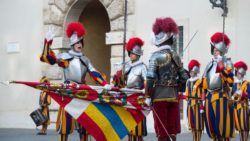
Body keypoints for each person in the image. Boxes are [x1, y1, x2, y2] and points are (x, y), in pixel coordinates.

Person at [40, 21, 112, 141]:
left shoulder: (85, 59)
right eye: (77, 42)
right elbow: (48, 59)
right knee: (65, 125)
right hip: (68, 91)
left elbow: (94, 73)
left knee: (84, 124)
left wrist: (105, 84)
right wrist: (47, 43)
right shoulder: (65, 57)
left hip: (82, 92)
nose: (79, 44)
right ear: (72, 44)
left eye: (80, 42)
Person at [146, 17, 189, 141]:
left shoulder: (155, 56)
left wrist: (148, 96)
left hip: (159, 96)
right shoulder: (176, 56)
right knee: (172, 130)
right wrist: (177, 86)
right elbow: (185, 78)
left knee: (162, 130)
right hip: (174, 97)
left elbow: (150, 78)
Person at [202, 32, 235, 141]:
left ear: (221, 51)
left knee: (222, 127)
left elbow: (230, 81)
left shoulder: (228, 62)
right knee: (212, 128)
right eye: (214, 50)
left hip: (221, 96)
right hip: (209, 97)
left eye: (217, 50)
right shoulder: (209, 64)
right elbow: (204, 83)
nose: (215, 52)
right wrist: (203, 99)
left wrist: (221, 66)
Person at [115, 37, 148, 141]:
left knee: (138, 129)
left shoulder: (143, 67)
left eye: (132, 53)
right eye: (130, 53)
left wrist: (147, 96)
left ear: (138, 54)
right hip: (128, 97)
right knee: (130, 127)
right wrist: (118, 74)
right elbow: (122, 83)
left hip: (138, 98)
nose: (131, 55)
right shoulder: (127, 67)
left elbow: (147, 82)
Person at [185, 59, 204, 141]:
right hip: (189, 105)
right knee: (192, 125)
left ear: (195, 71)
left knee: (198, 126)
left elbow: (203, 93)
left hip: (197, 105)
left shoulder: (200, 81)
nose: (190, 72)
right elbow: (186, 94)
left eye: (192, 71)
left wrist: (202, 106)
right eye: (190, 71)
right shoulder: (188, 81)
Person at [232, 61, 250, 141]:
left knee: (244, 127)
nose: (237, 75)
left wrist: (243, 94)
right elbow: (232, 94)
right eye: (237, 73)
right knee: (239, 127)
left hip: (243, 106)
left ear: (242, 74)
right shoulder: (235, 84)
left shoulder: (246, 83)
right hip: (236, 107)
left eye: (239, 73)